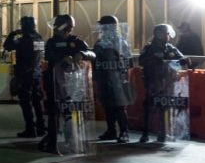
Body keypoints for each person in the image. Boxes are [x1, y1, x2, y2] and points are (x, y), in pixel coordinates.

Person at [40, 14, 95, 154]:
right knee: (54, 113)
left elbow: (93, 54)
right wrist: (62, 58)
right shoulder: (52, 42)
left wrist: (82, 54)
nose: (66, 30)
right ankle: (52, 141)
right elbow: (48, 56)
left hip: (73, 84)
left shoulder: (75, 41)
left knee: (70, 113)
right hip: (54, 82)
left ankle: (72, 142)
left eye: (68, 27)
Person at [138, 24, 188, 143]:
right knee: (149, 108)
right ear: (159, 34)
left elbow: (181, 58)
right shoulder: (149, 48)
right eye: (166, 34)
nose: (169, 37)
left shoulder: (170, 48)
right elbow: (141, 61)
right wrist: (153, 59)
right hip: (153, 82)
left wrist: (185, 60)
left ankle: (163, 133)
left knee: (164, 108)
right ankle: (145, 133)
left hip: (167, 83)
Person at [92, 15, 133, 143]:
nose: (101, 29)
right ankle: (111, 131)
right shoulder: (101, 42)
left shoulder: (120, 42)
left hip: (117, 79)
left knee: (119, 107)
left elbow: (129, 62)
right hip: (104, 78)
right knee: (108, 106)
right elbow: (95, 60)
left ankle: (124, 132)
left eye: (103, 26)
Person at [3, 16, 46, 138]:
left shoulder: (24, 40)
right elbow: (38, 56)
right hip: (36, 74)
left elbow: (7, 46)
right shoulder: (39, 38)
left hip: (24, 75)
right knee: (37, 102)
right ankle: (41, 127)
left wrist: (12, 34)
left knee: (26, 103)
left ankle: (30, 129)